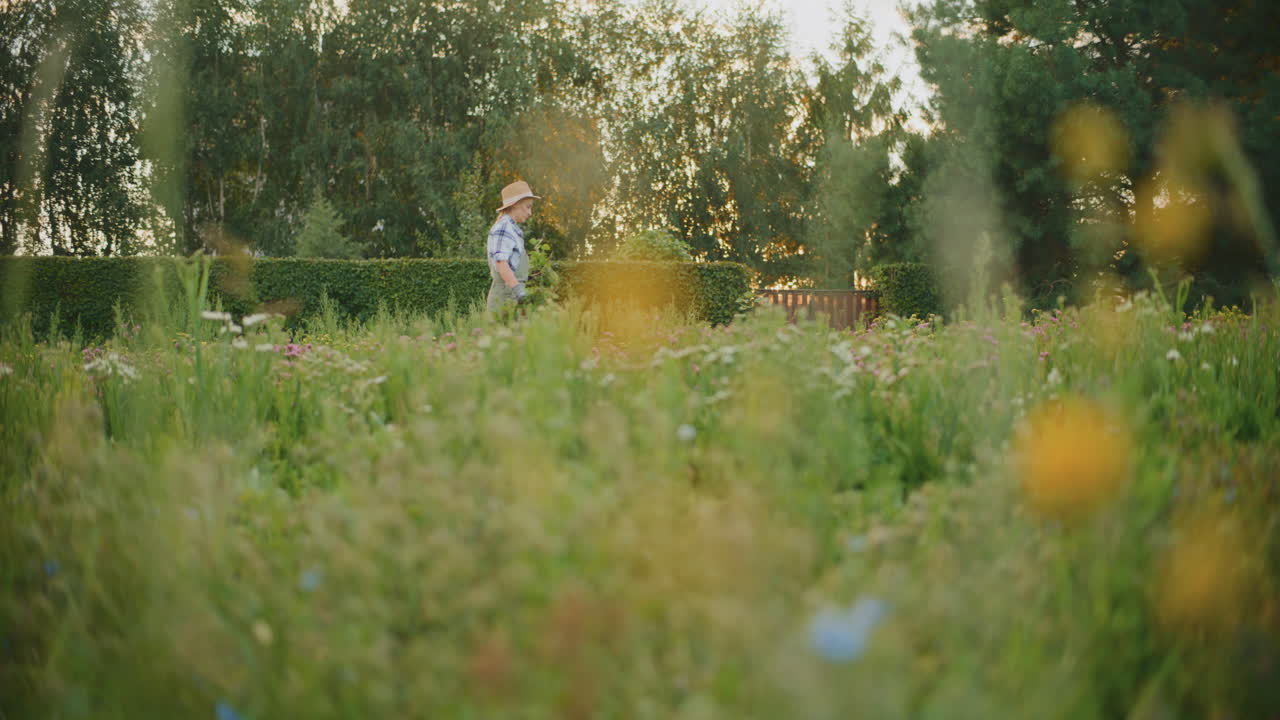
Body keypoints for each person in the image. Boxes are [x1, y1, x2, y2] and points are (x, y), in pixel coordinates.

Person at [486, 180, 541, 313]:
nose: (530, 213)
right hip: (505, 296)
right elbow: (501, 263)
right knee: (501, 333)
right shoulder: (504, 227)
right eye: (528, 207)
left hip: (511, 294)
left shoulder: (512, 228)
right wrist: (519, 291)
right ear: (515, 204)